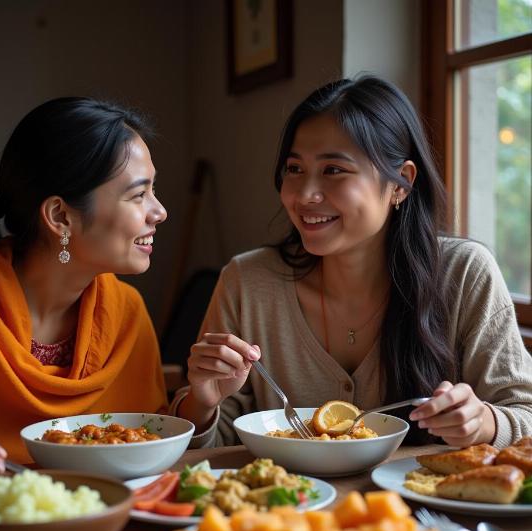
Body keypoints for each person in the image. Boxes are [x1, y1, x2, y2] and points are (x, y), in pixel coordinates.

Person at [174, 75, 532, 450]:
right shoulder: (247, 282)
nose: (305, 195)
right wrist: (202, 401)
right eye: (294, 169)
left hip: (418, 507)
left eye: (333, 170)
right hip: (289, 507)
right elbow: (215, 447)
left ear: (401, 184)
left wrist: (484, 423)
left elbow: (523, 413)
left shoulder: (464, 275)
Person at [0, 97, 167, 481]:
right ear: (60, 216)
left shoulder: (126, 311)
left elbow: (153, 445)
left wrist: (203, 403)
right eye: (139, 195)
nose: (159, 212)